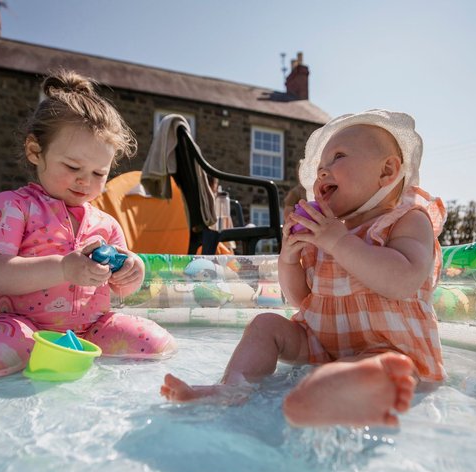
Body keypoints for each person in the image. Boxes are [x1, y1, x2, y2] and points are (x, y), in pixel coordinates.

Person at [161, 109, 446, 427]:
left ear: (387, 171)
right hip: (323, 343)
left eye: (337, 157)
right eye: (320, 168)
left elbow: (403, 281)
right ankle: (233, 387)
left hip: (387, 347)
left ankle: (339, 393)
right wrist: (289, 258)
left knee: (371, 367)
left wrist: (338, 242)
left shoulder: (406, 219)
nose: (322, 172)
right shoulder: (326, 230)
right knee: (265, 324)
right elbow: (300, 298)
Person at [0, 69, 176, 381]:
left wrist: (132, 271)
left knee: (159, 346)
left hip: (92, 329)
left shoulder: (105, 224)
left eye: (99, 173)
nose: (85, 180)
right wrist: (63, 269)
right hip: (23, 326)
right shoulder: (12, 207)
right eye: (72, 166)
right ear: (35, 152)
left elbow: (122, 289)